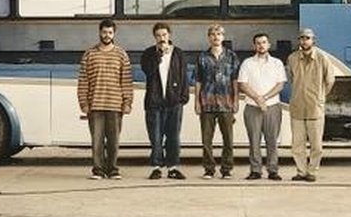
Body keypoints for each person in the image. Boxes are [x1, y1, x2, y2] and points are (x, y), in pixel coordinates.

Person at [77, 18, 133, 180]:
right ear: (99, 33)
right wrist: (83, 102)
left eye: (110, 32)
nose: (107, 35)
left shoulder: (121, 54)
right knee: (97, 141)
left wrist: (127, 102)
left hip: (115, 105)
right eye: (104, 32)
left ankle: (113, 169)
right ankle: (98, 170)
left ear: (114, 33)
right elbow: (83, 80)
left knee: (114, 141)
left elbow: (126, 80)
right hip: (95, 105)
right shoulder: (89, 54)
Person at [140, 22, 189, 180]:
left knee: (173, 136)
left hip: (174, 102)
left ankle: (172, 167)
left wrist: (183, 97)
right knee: (155, 136)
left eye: (164, 35)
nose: (162, 38)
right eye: (158, 36)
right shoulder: (149, 53)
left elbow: (184, 77)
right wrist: (158, 55)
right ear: (154, 37)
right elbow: (147, 71)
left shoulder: (178, 53)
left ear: (169, 35)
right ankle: (156, 167)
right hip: (154, 102)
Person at [286, 27, 336, 182]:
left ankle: (312, 171)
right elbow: (291, 78)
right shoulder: (292, 58)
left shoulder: (322, 58)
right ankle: (301, 171)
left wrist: (320, 97)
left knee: (316, 145)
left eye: (307, 38)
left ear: (313, 40)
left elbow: (330, 80)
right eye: (301, 38)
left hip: (315, 107)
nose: (304, 41)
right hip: (297, 106)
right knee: (297, 144)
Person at [237, 32, 287, 181]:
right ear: (254, 46)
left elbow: (280, 84)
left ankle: (273, 170)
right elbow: (242, 84)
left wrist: (264, 98)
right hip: (252, 107)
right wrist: (257, 98)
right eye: (258, 43)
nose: (261, 45)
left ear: (269, 45)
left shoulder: (277, 63)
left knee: (272, 140)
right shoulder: (247, 63)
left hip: (272, 106)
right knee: (254, 141)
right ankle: (255, 170)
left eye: (264, 42)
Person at [193, 23, 240, 179]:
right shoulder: (202, 57)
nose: (216, 37)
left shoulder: (232, 56)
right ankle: (209, 169)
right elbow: (198, 81)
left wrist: (236, 100)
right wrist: (197, 102)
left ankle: (226, 169)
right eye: (213, 34)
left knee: (228, 139)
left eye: (219, 34)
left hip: (226, 103)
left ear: (223, 37)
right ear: (209, 38)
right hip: (207, 102)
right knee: (206, 140)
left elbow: (234, 80)